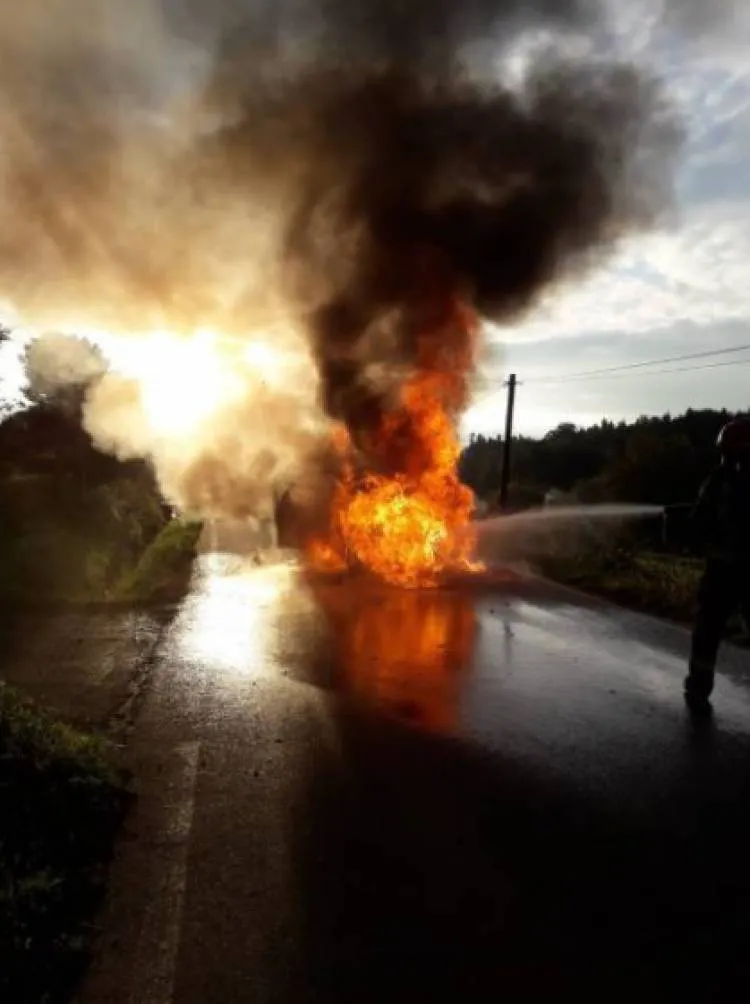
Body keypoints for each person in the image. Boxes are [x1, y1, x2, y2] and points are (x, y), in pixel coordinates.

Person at [684, 417, 750, 712]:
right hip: (724, 569)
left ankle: (698, 690)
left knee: (707, 632)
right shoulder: (719, 481)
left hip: (724, 570)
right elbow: (700, 521)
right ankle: (698, 689)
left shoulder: (719, 481)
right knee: (706, 631)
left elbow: (699, 523)